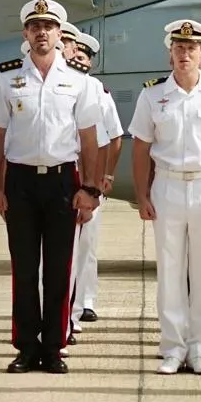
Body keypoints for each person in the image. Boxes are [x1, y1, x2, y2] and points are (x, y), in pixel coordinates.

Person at [0, 0, 103, 375]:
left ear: (59, 34)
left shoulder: (78, 81)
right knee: (23, 268)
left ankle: (53, 347)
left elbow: (89, 139)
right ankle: (26, 347)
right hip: (19, 181)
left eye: (48, 26)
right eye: (35, 26)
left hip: (62, 181)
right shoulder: (7, 78)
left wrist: (92, 189)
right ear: (25, 34)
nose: (41, 32)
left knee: (58, 269)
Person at [130, 19, 201, 375]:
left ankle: (200, 347)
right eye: (179, 48)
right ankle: (172, 347)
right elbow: (140, 148)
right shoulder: (152, 95)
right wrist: (142, 194)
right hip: (166, 186)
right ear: (170, 55)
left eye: (191, 48)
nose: (185, 54)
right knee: (168, 271)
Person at [66, 28, 122, 342]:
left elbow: (113, 138)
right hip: (68, 169)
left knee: (87, 244)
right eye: (74, 53)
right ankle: (69, 306)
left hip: (92, 175)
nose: (78, 59)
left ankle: (86, 300)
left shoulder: (99, 92)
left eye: (83, 56)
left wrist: (106, 176)